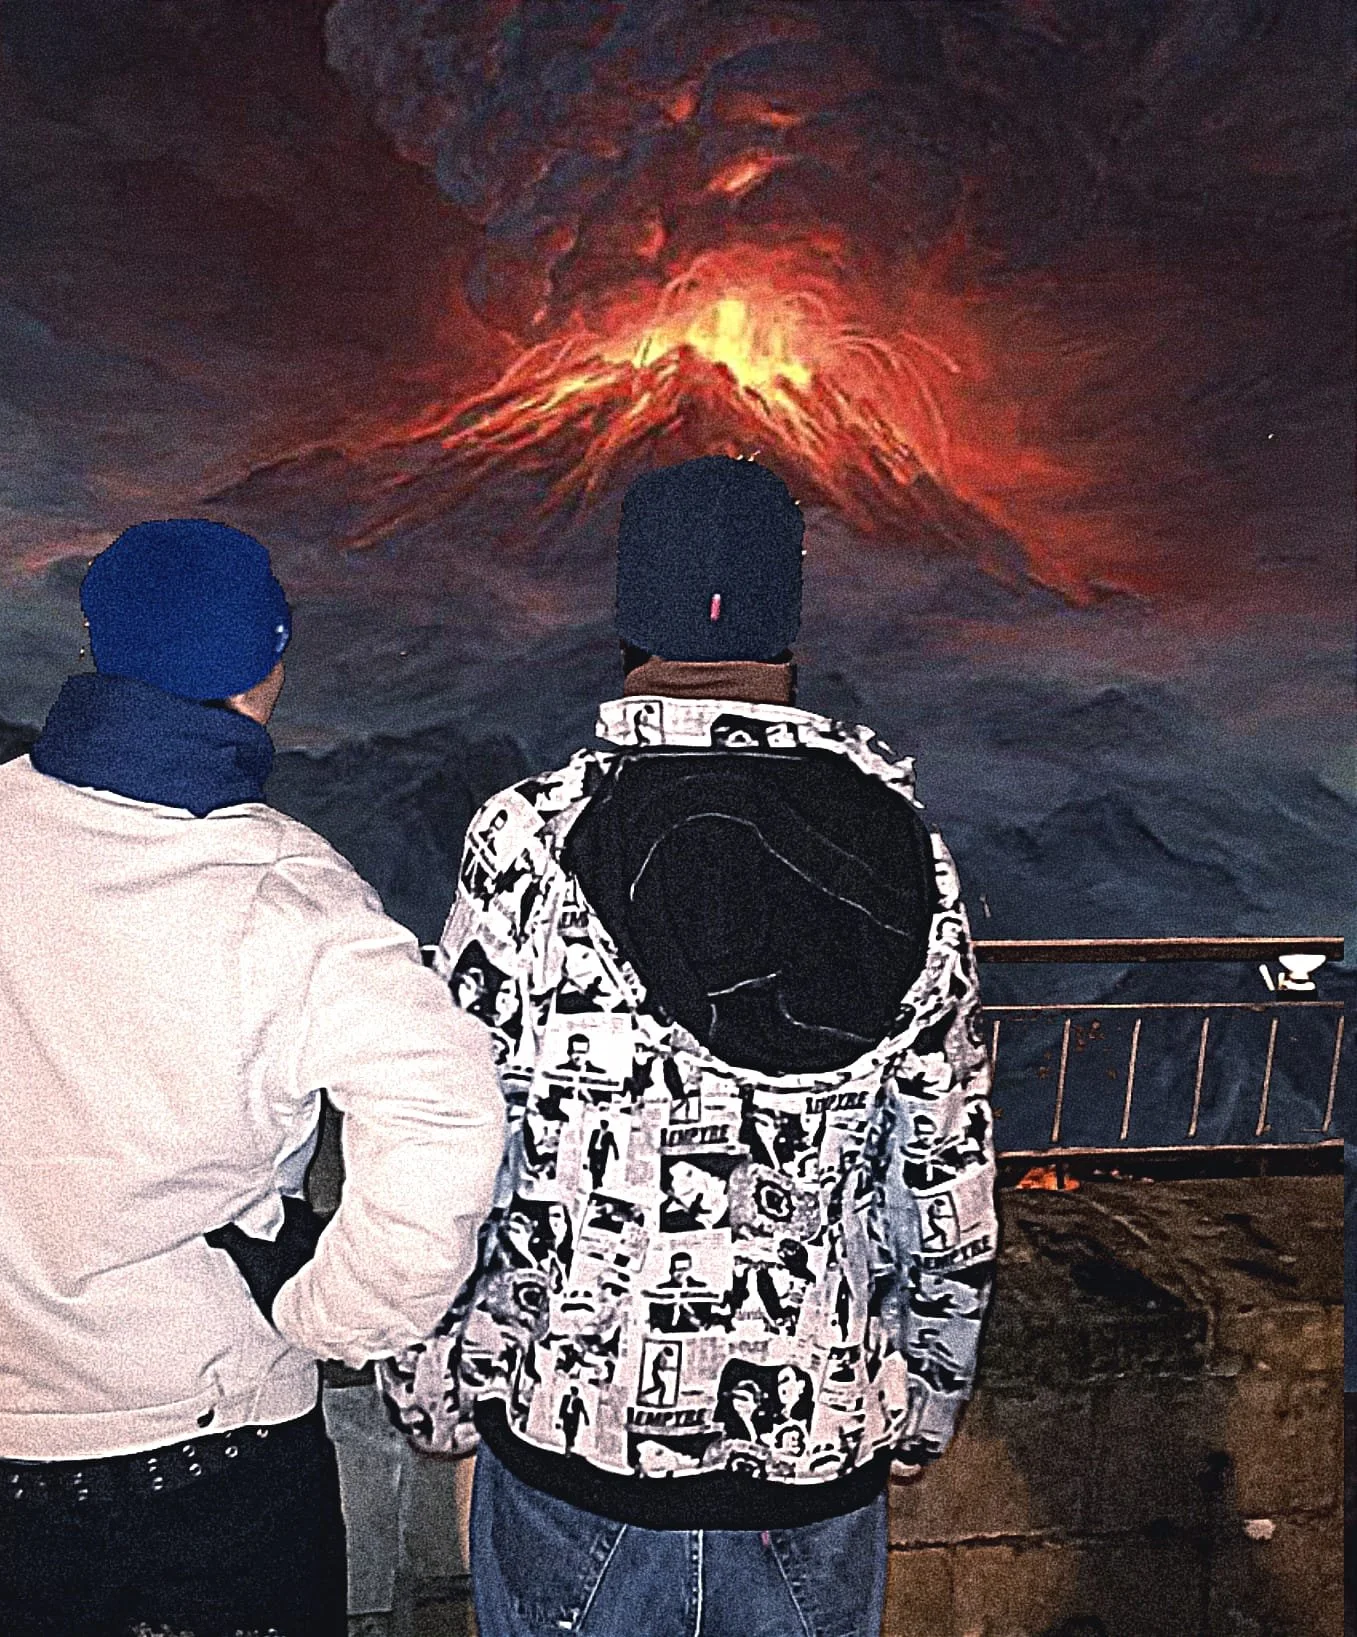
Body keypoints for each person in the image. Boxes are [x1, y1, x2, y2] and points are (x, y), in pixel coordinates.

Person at [380, 457, 997, 1637]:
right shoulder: (903, 848)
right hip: (817, 1465)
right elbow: (945, 1160)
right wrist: (923, 1399)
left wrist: (429, 1384)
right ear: (790, 618)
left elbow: (447, 1131)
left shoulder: (527, 840)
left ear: (628, 613)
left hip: (573, 1463)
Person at [0, 518, 506, 1637]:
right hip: (218, 1428)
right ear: (268, 662)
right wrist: (332, 1312)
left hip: (14, 1420)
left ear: (99, 646)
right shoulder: (279, 886)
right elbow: (445, 1103)